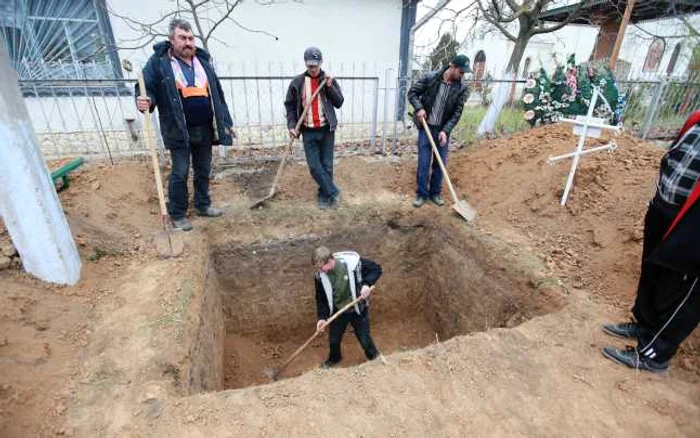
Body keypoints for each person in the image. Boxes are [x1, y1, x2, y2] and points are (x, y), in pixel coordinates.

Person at [602, 110, 700, 373]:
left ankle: (655, 353)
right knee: (653, 271)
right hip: (667, 208)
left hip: (694, 223)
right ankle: (643, 324)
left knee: (682, 292)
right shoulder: (697, 120)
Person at [136, 18, 234, 231]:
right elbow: (146, 87)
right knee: (180, 171)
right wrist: (145, 100)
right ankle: (178, 213)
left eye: (191, 38)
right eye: (183, 38)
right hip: (178, 129)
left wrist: (226, 121)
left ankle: (203, 205)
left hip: (206, 127)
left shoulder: (203, 62)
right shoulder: (159, 63)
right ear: (172, 39)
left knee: (203, 169)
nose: (188, 42)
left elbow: (218, 94)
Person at [407, 54, 471, 208]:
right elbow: (412, 93)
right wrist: (419, 108)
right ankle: (422, 194)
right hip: (426, 127)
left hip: (442, 130)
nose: (462, 75)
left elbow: (457, 113)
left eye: (464, 73)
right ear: (452, 66)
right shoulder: (431, 78)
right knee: (423, 163)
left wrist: (446, 131)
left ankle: (435, 193)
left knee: (440, 163)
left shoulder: (461, 88)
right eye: (461, 72)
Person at [284, 47, 344, 209]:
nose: (313, 68)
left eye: (315, 65)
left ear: (321, 63)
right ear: (305, 64)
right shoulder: (298, 83)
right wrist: (291, 125)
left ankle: (323, 196)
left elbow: (339, 102)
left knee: (327, 165)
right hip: (308, 131)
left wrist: (330, 87)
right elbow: (290, 106)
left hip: (326, 130)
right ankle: (333, 192)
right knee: (314, 167)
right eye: (309, 65)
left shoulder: (328, 80)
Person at [313, 246, 381, 368]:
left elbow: (376, 269)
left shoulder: (353, 264)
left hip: (357, 309)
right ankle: (334, 359)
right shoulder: (320, 276)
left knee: (365, 339)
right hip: (339, 311)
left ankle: (374, 357)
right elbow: (321, 299)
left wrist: (366, 284)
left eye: (321, 267)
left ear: (330, 260)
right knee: (334, 340)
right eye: (318, 268)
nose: (320, 271)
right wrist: (322, 317)